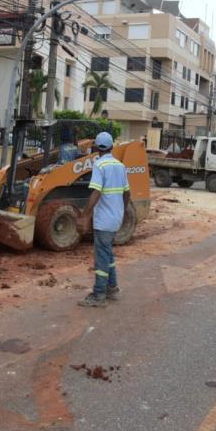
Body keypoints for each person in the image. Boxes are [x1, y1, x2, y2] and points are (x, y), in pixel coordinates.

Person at [78, 132, 130, 308]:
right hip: (116, 218)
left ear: (95, 148)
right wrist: (122, 211)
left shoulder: (99, 165)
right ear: (111, 147)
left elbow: (96, 191)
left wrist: (85, 215)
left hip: (104, 220)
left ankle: (99, 294)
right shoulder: (120, 166)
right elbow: (127, 192)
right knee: (108, 253)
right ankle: (112, 288)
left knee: (101, 257)